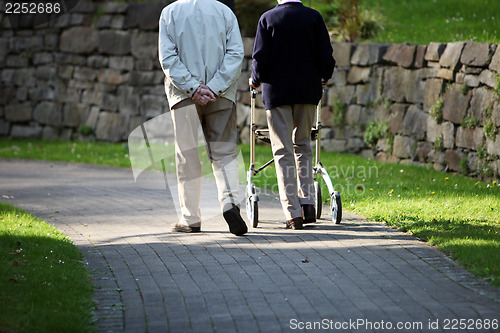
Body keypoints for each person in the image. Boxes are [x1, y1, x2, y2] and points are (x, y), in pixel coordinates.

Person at [159, 0, 247, 235]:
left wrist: (194, 89)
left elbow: (168, 58)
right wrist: (215, 87)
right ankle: (230, 204)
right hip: (221, 94)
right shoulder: (224, 11)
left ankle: (190, 218)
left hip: (183, 96)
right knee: (224, 151)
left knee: (187, 154)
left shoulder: (169, 13)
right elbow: (236, 53)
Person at [250, 0, 335, 230]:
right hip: (307, 92)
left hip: (277, 94)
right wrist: (324, 76)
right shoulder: (314, 17)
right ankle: (308, 202)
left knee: (283, 151)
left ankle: (293, 214)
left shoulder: (267, 19)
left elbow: (260, 58)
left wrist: (255, 80)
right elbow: (326, 56)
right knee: (303, 145)